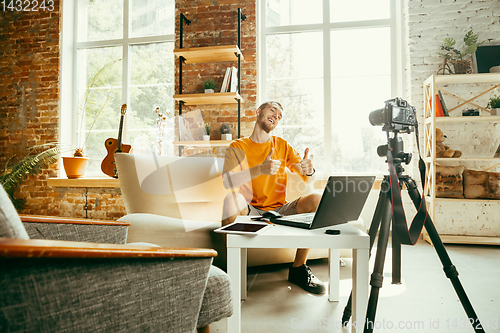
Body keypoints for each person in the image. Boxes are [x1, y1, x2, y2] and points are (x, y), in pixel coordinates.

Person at [221, 101, 325, 294]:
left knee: (317, 200)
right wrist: (259, 169)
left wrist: (309, 170)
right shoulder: (237, 146)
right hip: (249, 210)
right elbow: (227, 182)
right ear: (258, 112)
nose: (276, 116)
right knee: (230, 199)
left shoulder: (282, 145)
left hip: (279, 210)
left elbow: (306, 175)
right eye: (272, 110)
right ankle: (233, 272)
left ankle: (298, 268)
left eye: (279, 116)